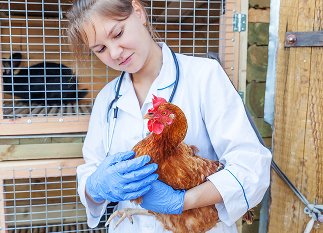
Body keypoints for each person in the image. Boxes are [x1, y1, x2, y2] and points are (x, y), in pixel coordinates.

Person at [67, 0, 272, 232]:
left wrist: (183, 201)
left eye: (118, 34)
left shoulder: (204, 76)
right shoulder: (106, 98)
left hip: (197, 224)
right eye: (100, 49)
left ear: (138, 12)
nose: (114, 53)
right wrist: (94, 186)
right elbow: (90, 168)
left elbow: (251, 167)